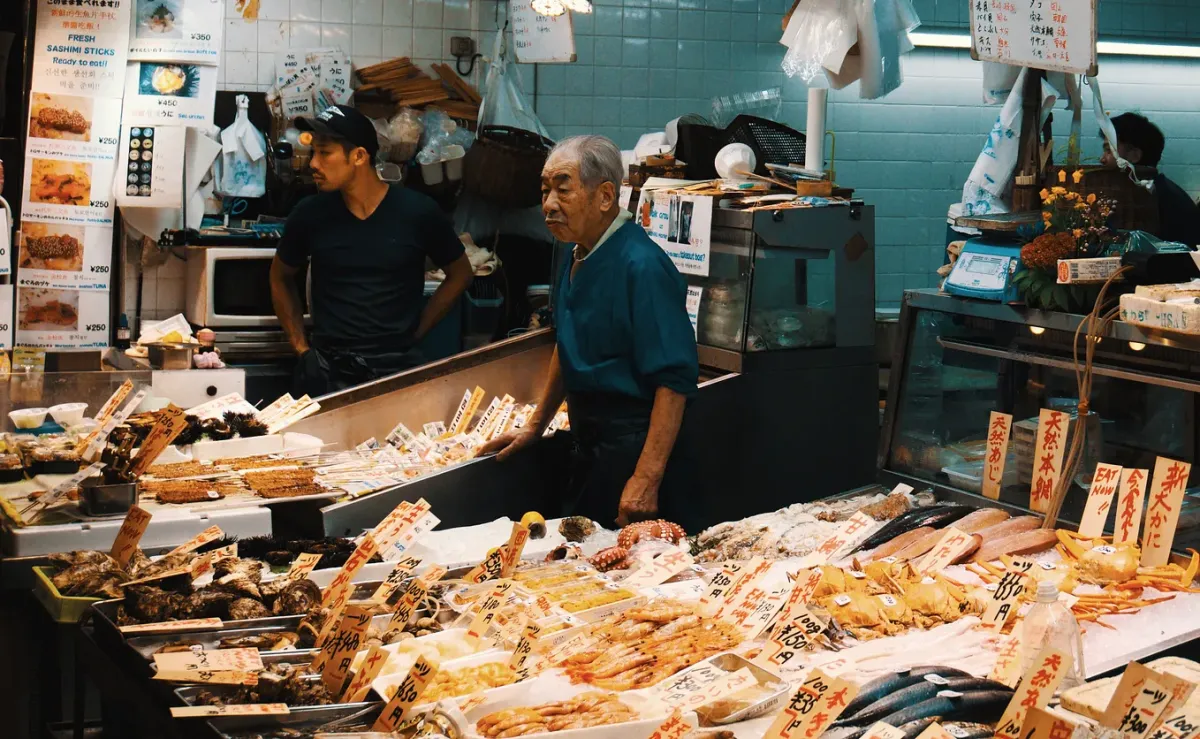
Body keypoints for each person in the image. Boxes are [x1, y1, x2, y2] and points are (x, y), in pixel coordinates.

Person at [480, 135, 699, 528]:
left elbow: (675, 381)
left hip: (631, 450)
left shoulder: (642, 266)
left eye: (563, 189)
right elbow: (567, 341)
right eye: (545, 190)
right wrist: (535, 426)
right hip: (587, 443)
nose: (548, 204)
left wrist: (646, 478)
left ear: (604, 196)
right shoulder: (575, 251)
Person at [270, 105, 473, 396]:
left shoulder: (417, 212)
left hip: (398, 368)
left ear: (359, 157)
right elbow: (279, 277)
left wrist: (417, 331)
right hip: (329, 370)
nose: (313, 163)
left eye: (324, 153)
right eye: (313, 152)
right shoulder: (309, 214)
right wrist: (302, 350)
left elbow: (461, 274)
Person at [1101, 112, 1200, 246]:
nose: (1102, 159)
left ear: (1134, 156)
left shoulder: (1154, 200)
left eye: (1108, 150)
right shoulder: (1155, 192)